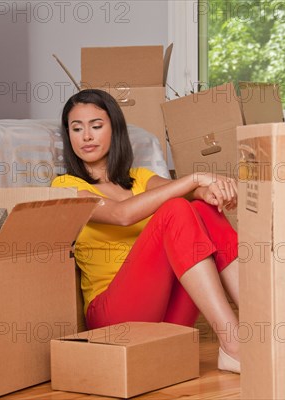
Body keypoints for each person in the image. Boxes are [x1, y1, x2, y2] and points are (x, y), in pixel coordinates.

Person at [51, 89, 241, 374]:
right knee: (176, 209)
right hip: (114, 318)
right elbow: (122, 214)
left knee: (203, 208)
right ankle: (234, 343)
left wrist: (212, 191)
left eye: (96, 126)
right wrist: (195, 178)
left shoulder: (140, 178)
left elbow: (190, 194)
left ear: (114, 129)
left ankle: (264, 323)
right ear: (69, 137)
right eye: (77, 129)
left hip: (165, 316)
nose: (86, 136)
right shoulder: (65, 187)